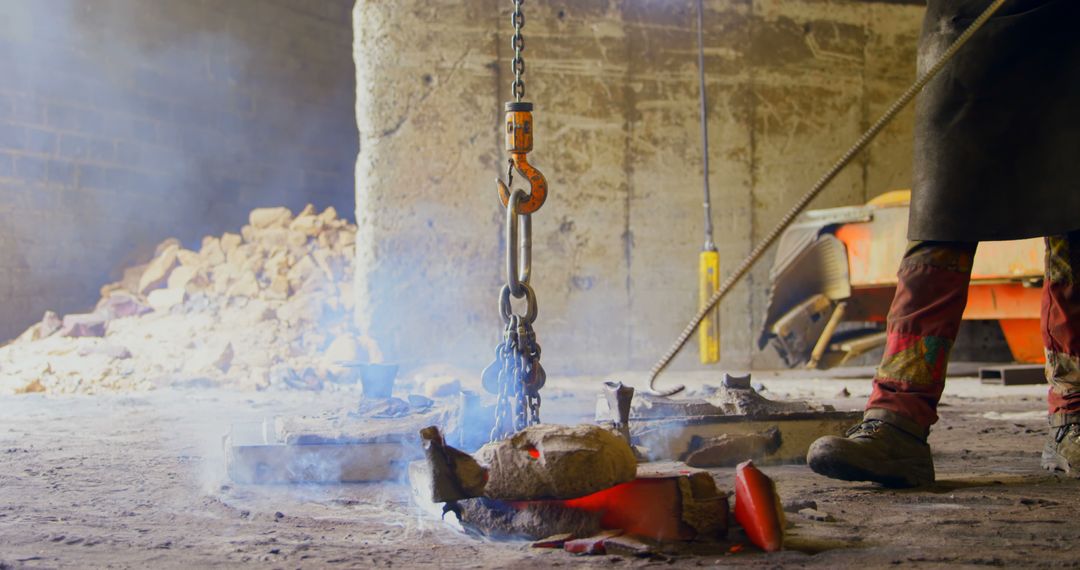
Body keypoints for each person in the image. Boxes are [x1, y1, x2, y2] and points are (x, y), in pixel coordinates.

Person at [806, 0, 1080, 488]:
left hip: (1067, 30)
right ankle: (897, 423)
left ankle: (1074, 419)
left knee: (1076, 229)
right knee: (938, 225)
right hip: (966, 25)